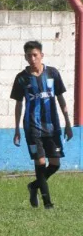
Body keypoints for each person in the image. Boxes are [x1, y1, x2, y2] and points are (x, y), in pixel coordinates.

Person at [11, 40, 72, 208]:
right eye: (28, 55)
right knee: (40, 162)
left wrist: (67, 123)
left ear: (41, 55)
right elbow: (18, 104)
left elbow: (61, 98)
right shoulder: (22, 78)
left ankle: (34, 186)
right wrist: (16, 129)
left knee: (55, 164)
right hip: (32, 127)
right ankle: (47, 203)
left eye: (35, 55)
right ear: (25, 57)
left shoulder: (52, 73)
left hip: (52, 126)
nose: (32, 58)